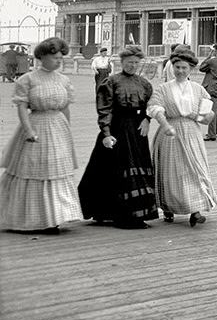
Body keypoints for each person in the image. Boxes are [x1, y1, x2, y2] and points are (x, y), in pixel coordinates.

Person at [0, 37, 83, 233]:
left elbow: (65, 108)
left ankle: (56, 217)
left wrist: (67, 131)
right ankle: (33, 218)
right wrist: (28, 129)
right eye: (54, 57)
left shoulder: (64, 80)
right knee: (35, 170)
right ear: (42, 57)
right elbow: (21, 107)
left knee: (57, 170)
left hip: (58, 127)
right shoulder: (27, 79)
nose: (58, 61)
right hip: (36, 125)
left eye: (61, 58)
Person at [77, 45, 158, 228]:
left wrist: (147, 120)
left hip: (138, 132)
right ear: (121, 62)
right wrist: (106, 133)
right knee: (114, 169)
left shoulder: (144, 84)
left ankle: (138, 213)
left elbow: (151, 105)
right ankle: (118, 215)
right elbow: (104, 109)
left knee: (137, 167)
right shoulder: (111, 82)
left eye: (136, 63)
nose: (133, 66)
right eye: (129, 62)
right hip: (117, 130)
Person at [147, 47, 217, 226]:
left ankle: (196, 210)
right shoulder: (163, 89)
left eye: (184, 68)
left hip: (191, 132)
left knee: (193, 169)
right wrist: (165, 125)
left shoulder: (198, 89)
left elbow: (206, 115)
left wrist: (205, 116)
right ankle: (168, 209)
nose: (180, 71)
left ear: (190, 69)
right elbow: (155, 108)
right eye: (177, 67)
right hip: (169, 132)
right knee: (170, 171)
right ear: (172, 67)